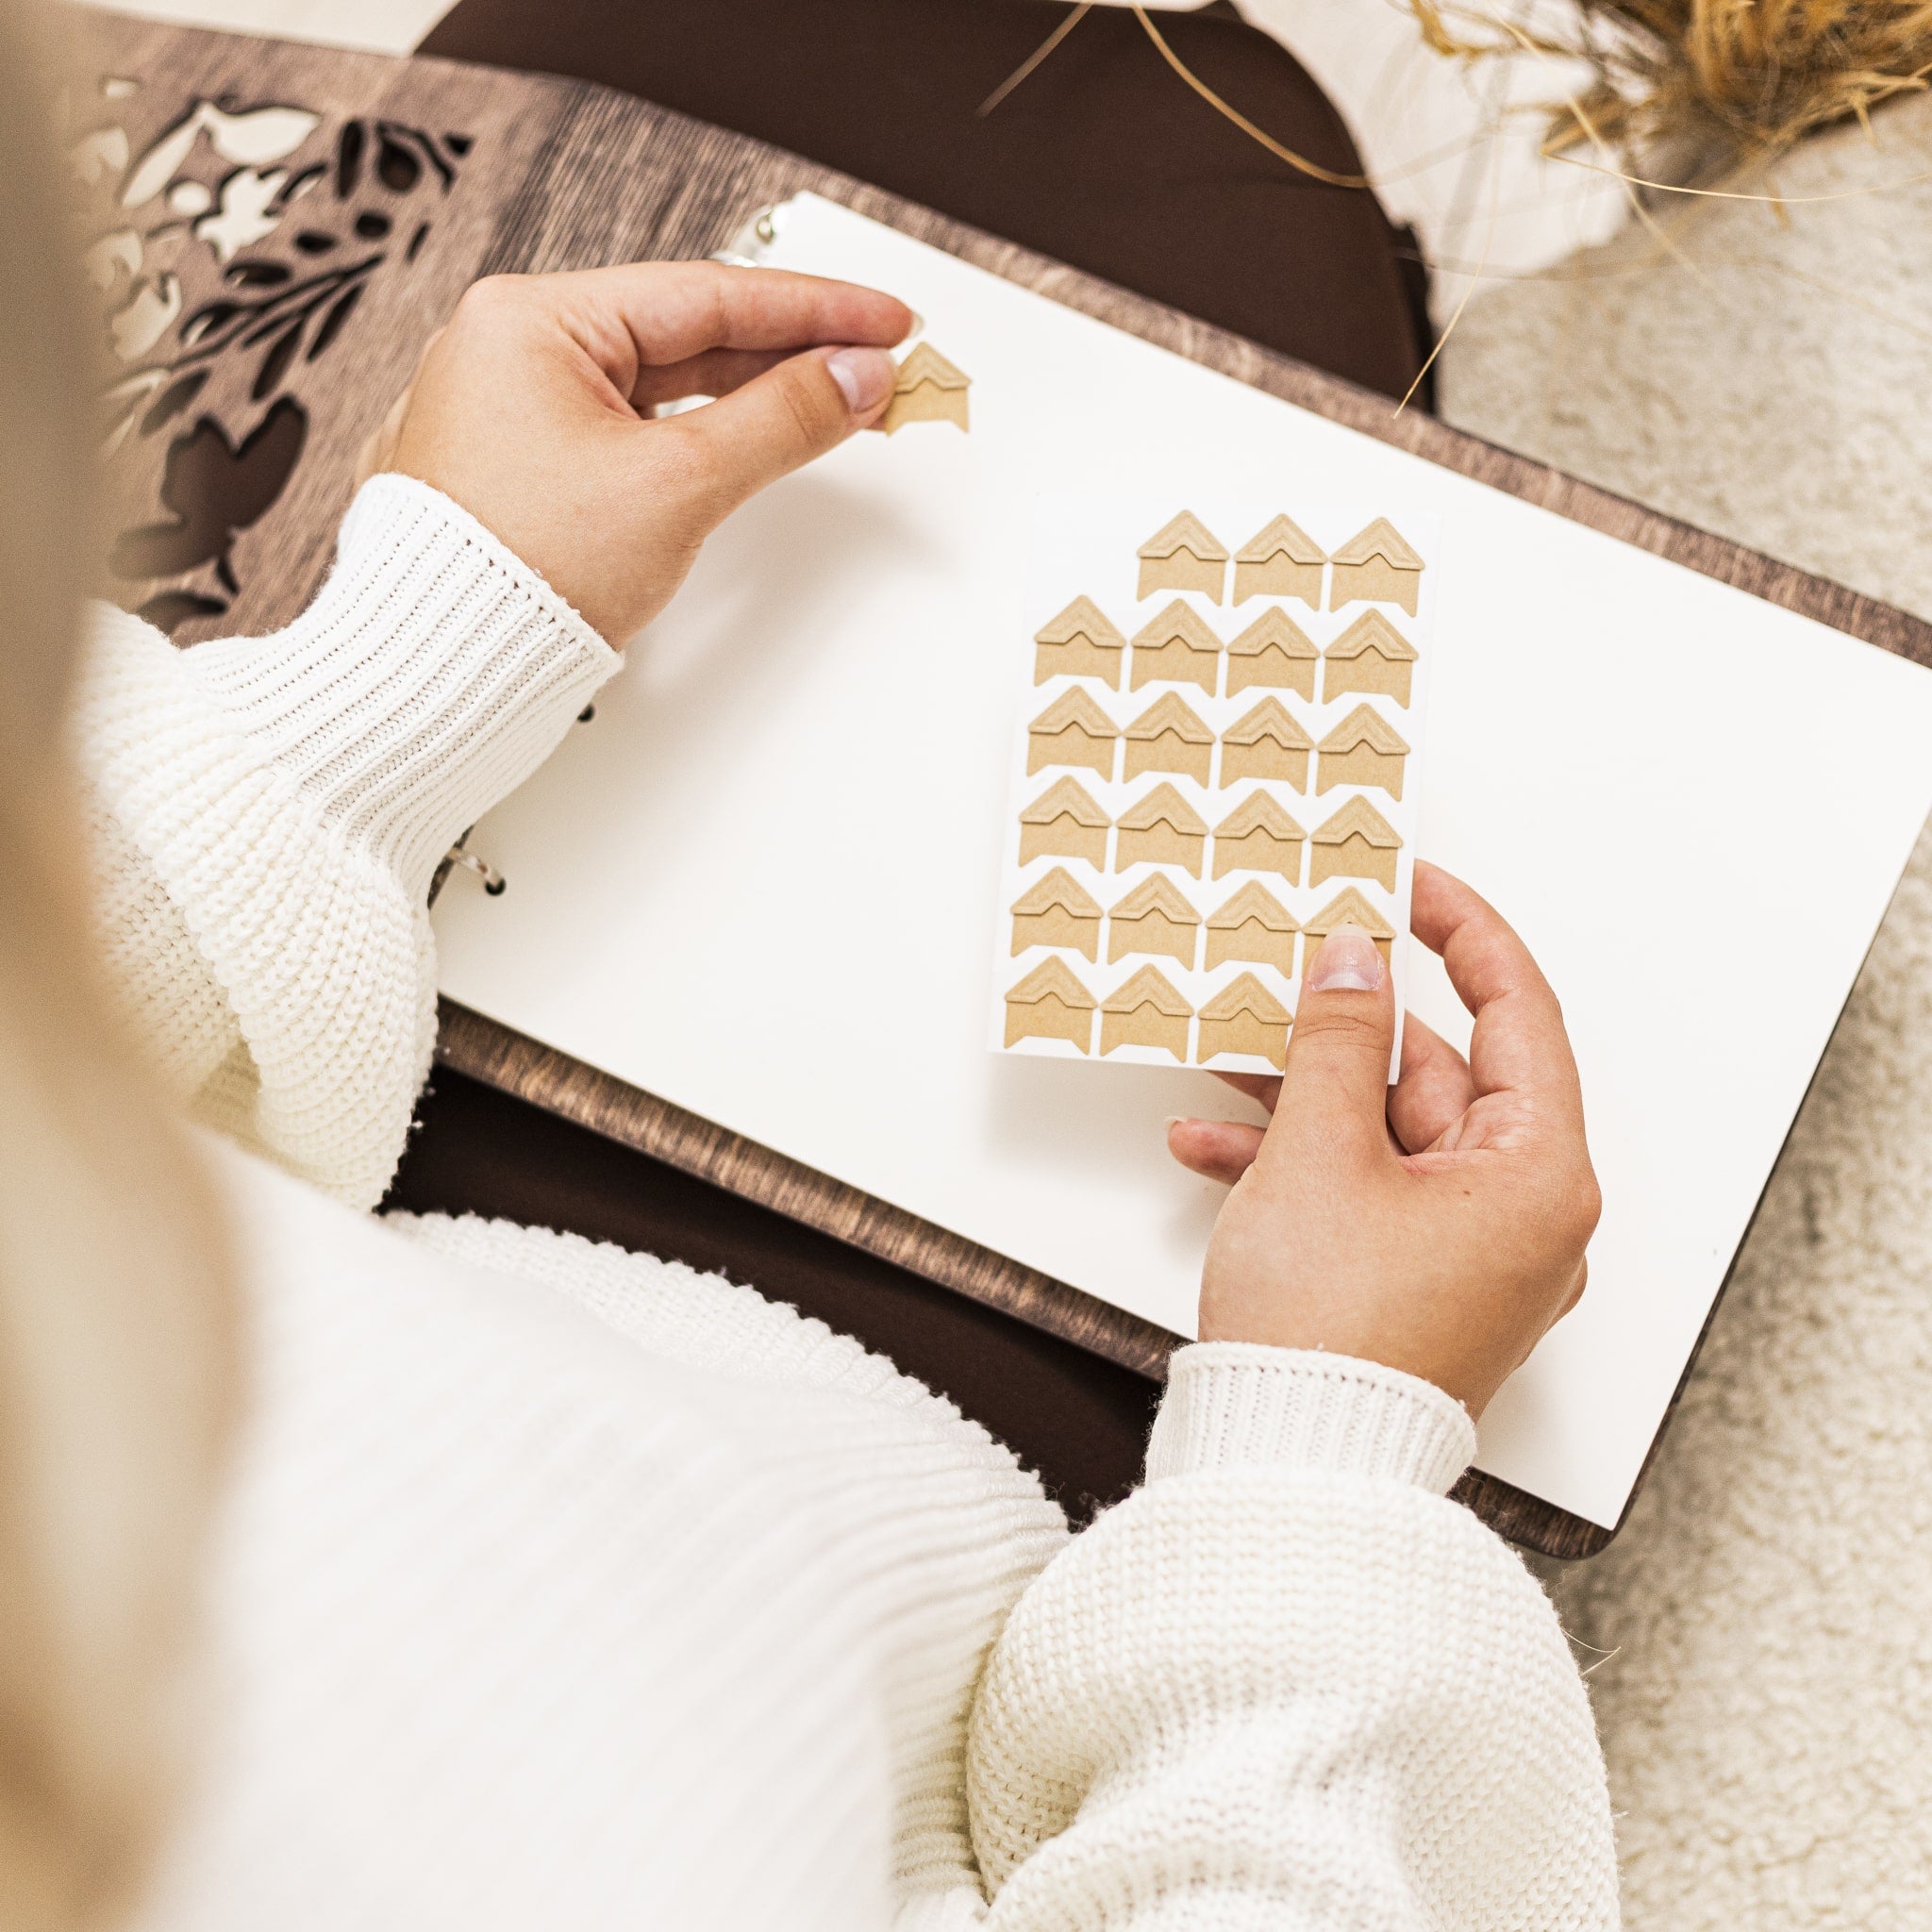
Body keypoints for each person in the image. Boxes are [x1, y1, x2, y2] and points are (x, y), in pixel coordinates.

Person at [0, 17, 1616, 1932]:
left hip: (332, 1151)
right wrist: (1326, 1434)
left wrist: (411, 657)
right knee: (1168, 134)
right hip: (982, 1526)